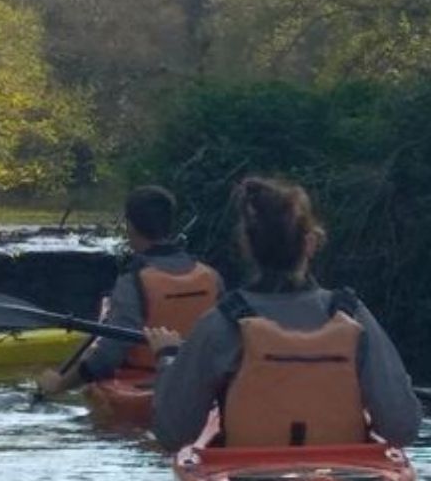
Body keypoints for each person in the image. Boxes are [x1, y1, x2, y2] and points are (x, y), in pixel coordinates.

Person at [144, 177, 422, 452]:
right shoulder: (353, 316)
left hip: (246, 480)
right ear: (310, 243)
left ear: (246, 246)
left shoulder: (220, 324)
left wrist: (168, 358)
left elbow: (173, 433)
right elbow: (403, 427)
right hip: (347, 477)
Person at [37, 185, 223, 396]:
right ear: (169, 225)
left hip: (142, 388)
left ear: (130, 226)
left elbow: (108, 356)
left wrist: (60, 384)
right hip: (200, 384)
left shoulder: (133, 282)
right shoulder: (211, 277)